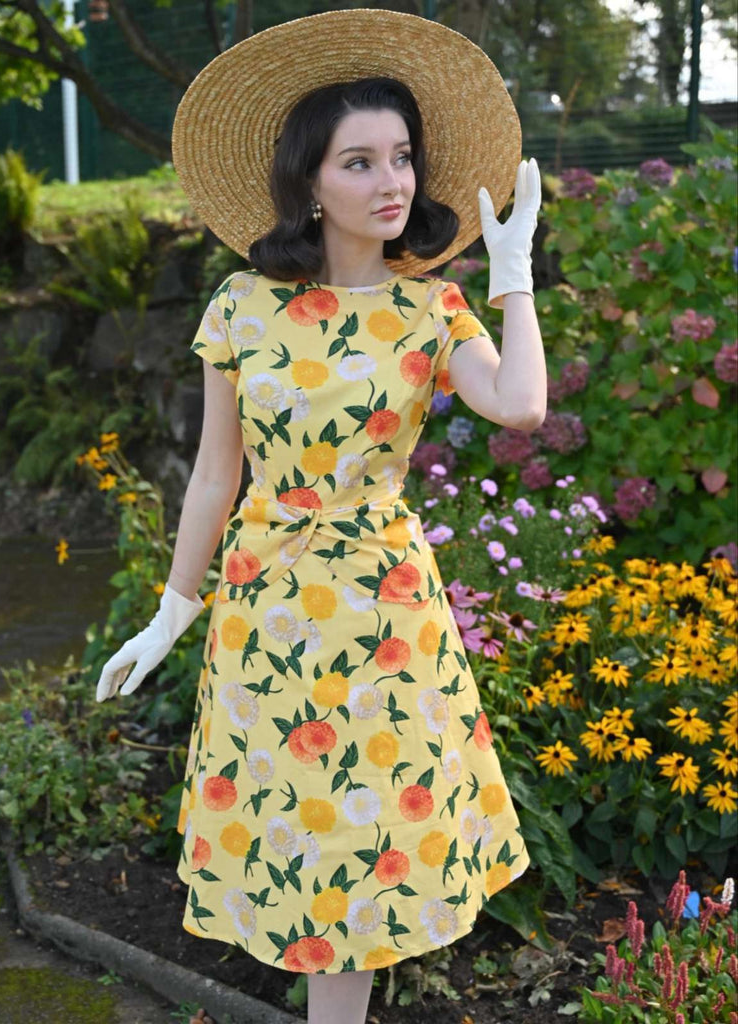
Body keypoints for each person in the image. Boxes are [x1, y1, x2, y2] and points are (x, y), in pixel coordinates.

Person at [95, 10, 546, 1024]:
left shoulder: (431, 310)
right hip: (268, 613)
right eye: (360, 161)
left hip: (386, 615)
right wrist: (173, 613)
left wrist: (511, 277)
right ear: (310, 182)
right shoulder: (244, 309)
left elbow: (519, 406)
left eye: (402, 157)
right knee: (304, 849)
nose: (392, 182)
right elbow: (216, 474)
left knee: (372, 846)